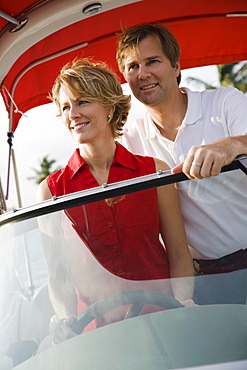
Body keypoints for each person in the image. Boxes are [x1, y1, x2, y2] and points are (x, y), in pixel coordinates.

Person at [36, 58, 195, 344]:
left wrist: (183, 303)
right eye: (65, 107)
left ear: (109, 107)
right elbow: (58, 277)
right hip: (96, 336)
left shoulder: (155, 172)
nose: (73, 113)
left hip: (164, 321)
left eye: (82, 102)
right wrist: (64, 320)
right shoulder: (50, 191)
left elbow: (179, 253)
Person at [116, 23, 247, 304]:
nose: (143, 73)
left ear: (176, 66)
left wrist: (231, 146)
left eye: (152, 61)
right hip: (204, 281)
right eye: (133, 66)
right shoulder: (128, 140)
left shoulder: (225, 101)